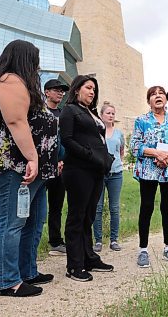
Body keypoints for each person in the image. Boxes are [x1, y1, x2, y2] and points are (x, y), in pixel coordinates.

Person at [0, 40, 58, 297]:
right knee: (12, 222)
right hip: (13, 165)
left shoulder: (21, 84)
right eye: (35, 62)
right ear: (25, 59)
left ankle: (27, 271)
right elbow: (16, 121)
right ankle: (9, 281)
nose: (38, 68)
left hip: (31, 169)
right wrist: (33, 158)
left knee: (34, 221)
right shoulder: (9, 80)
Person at [59, 75, 115, 282]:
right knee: (77, 216)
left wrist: (105, 158)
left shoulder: (90, 113)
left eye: (94, 89)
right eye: (88, 88)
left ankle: (89, 257)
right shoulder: (69, 110)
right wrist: (90, 155)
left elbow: (98, 139)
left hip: (96, 171)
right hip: (78, 170)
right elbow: (67, 139)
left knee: (89, 216)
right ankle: (74, 265)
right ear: (76, 89)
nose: (92, 92)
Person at [130, 85, 168, 268]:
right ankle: (143, 250)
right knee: (147, 207)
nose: (158, 96)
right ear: (148, 100)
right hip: (148, 170)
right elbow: (135, 146)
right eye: (153, 94)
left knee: (167, 208)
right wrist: (156, 153)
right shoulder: (141, 120)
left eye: (161, 93)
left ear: (166, 99)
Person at [93, 101, 124, 252]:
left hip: (116, 174)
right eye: (108, 113)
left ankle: (114, 240)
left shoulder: (119, 133)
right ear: (101, 115)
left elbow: (121, 152)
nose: (111, 115)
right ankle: (98, 240)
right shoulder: (96, 132)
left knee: (115, 208)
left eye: (113, 113)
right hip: (98, 174)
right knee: (97, 207)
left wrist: (118, 163)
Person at [43, 79, 69, 256]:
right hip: (41, 166)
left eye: (62, 91)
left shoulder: (64, 114)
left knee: (56, 205)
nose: (60, 93)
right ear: (46, 92)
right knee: (34, 205)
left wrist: (62, 160)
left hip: (60, 167)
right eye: (56, 90)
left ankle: (55, 241)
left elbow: (66, 140)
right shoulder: (39, 112)